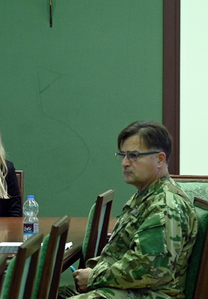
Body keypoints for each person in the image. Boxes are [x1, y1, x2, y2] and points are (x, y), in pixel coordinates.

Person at [60, 121, 198, 299]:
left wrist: (94, 277)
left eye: (133, 156)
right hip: (127, 288)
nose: (125, 163)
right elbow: (119, 253)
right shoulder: (146, 195)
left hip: (149, 294)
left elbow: (147, 269)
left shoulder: (165, 206)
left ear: (160, 159)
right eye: (123, 155)